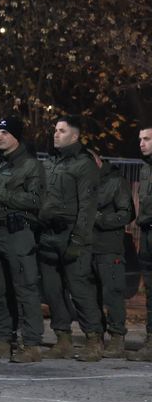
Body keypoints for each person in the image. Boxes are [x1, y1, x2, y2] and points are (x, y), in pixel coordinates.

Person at [0, 116, 45, 363]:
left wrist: (4, 197)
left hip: (16, 232)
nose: (1, 137)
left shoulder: (29, 165)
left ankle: (32, 343)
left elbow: (36, 200)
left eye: (5, 133)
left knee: (25, 289)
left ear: (16, 137)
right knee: (0, 290)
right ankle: (2, 340)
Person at [38, 115, 103, 361]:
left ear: (74, 136)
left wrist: (78, 239)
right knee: (52, 290)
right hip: (49, 235)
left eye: (62, 131)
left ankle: (93, 339)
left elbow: (87, 206)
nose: (56, 134)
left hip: (71, 235)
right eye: (55, 130)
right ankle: (62, 338)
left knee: (80, 289)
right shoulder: (51, 162)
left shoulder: (83, 164)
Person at [89, 149, 133, 358]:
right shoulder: (82, 183)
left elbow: (126, 214)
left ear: (97, 160)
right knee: (89, 295)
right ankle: (95, 335)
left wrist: (98, 219)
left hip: (108, 247)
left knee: (112, 293)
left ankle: (117, 336)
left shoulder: (116, 181)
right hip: (86, 247)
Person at [128, 126, 152, 362]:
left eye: (147, 139)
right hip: (147, 234)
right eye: (140, 139)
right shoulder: (145, 169)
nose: (142, 143)